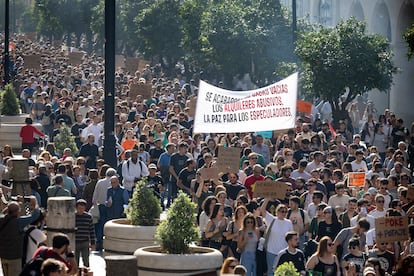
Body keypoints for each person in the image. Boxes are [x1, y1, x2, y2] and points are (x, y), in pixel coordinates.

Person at [0, 197, 41, 276]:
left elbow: (3, 213)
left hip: (3, 255)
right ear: (17, 212)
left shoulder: (1, 220)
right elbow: (35, 216)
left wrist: (10, 206)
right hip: (14, 257)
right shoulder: (19, 222)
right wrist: (35, 203)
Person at [261, 199, 293, 276]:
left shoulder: (289, 223)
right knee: (271, 272)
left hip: (284, 252)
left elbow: (291, 237)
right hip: (271, 251)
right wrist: (267, 199)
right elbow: (262, 210)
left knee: (283, 272)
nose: (284, 213)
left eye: (286, 212)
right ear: (277, 212)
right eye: (282, 211)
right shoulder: (272, 219)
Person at [75, 199, 95, 268]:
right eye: (79, 208)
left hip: (85, 242)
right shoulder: (72, 217)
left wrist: (93, 243)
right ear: (76, 208)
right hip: (75, 242)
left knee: (86, 261)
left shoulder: (88, 217)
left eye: (82, 208)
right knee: (75, 262)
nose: (81, 210)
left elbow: (91, 230)